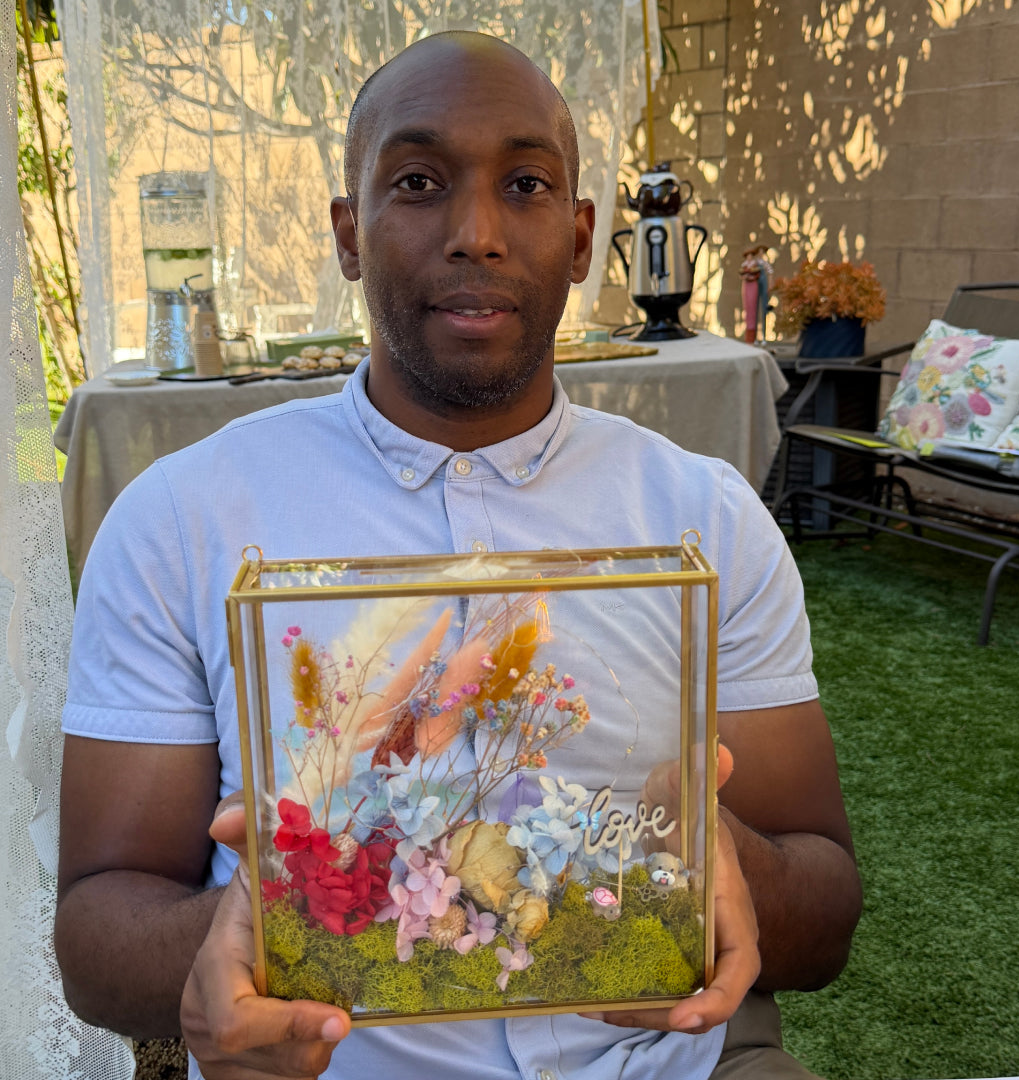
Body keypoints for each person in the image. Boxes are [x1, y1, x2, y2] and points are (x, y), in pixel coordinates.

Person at [54, 31, 861, 1080]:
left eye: (525, 185)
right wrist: (261, 931)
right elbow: (96, 936)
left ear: (581, 238)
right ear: (349, 234)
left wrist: (711, 855)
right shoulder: (181, 521)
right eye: (419, 182)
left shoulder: (705, 521)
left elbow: (824, 915)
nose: (476, 234)